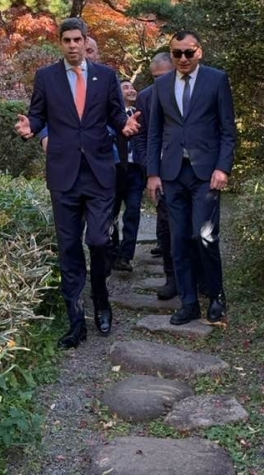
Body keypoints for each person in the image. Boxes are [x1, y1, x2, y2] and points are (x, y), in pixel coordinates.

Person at [15, 18, 140, 349]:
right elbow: (38, 115)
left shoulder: (106, 76)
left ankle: (101, 298)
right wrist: (30, 128)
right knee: (69, 248)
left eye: (77, 40)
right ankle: (75, 321)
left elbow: (116, 114)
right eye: (66, 40)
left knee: (98, 241)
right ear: (60, 42)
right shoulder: (46, 77)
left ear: (86, 41)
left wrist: (125, 126)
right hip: (64, 174)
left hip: (100, 172)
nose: (72, 45)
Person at [146, 30, 237, 325]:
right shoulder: (161, 85)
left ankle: (216, 296)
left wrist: (223, 168)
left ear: (199, 51)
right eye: (177, 53)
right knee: (179, 240)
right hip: (172, 173)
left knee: (204, 236)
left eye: (188, 52)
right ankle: (188, 303)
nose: (183, 58)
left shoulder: (216, 80)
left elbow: (228, 130)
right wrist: (153, 173)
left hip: (205, 173)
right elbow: (154, 133)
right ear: (171, 54)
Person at [132, 52, 177, 299]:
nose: (161, 81)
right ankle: (171, 278)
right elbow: (140, 136)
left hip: (188, 168)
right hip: (159, 171)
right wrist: (148, 166)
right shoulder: (146, 96)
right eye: (156, 77)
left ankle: (197, 276)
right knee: (166, 226)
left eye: (165, 76)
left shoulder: (188, 93)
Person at [111, 80, 145, 273]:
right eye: (126, 88)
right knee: (111, 213)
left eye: (133, 87)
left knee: (133, 212)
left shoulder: (142, 114)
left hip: (136, 171)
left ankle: (125, 256)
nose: (131, 90)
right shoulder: (112, 115)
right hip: (115, 170)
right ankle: (113, 252)